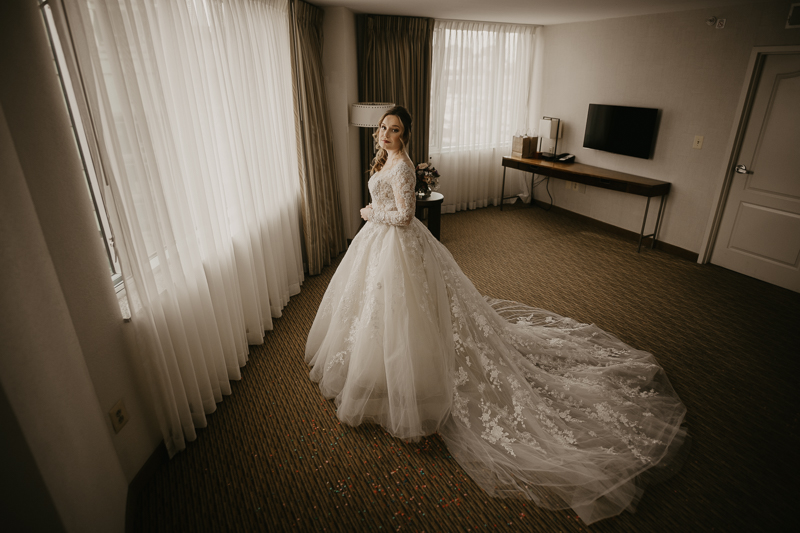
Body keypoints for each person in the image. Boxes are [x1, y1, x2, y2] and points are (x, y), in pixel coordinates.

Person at [305, 105, 687, 525]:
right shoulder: (385, 159)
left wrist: (370, 213)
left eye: (394, 130)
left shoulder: (403, 169)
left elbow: (405, 216)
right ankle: (379, 369)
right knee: (377, 311)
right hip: (380, 246)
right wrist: (375, 214)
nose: (386, 134)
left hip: (396, 242)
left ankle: (409, 375)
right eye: (383, 129)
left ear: (405, 134)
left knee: (402, 312)